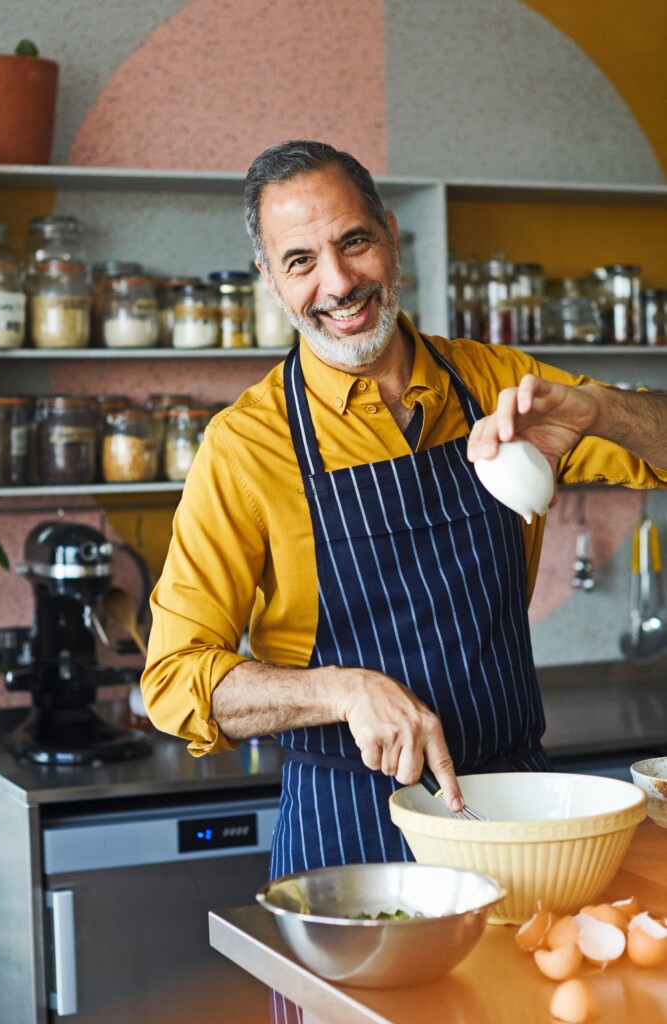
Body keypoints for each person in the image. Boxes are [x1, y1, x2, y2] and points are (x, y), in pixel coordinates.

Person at [142, 139, 667, 878]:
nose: (337, 283)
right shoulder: (245, 446)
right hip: (348, 835)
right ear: (269, 279)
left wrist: (594, 408)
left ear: (389, 234)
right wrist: (342, 689)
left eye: (353, 242)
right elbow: (173, 681)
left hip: (516, 812)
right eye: (300, 261)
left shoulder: (497, 382)